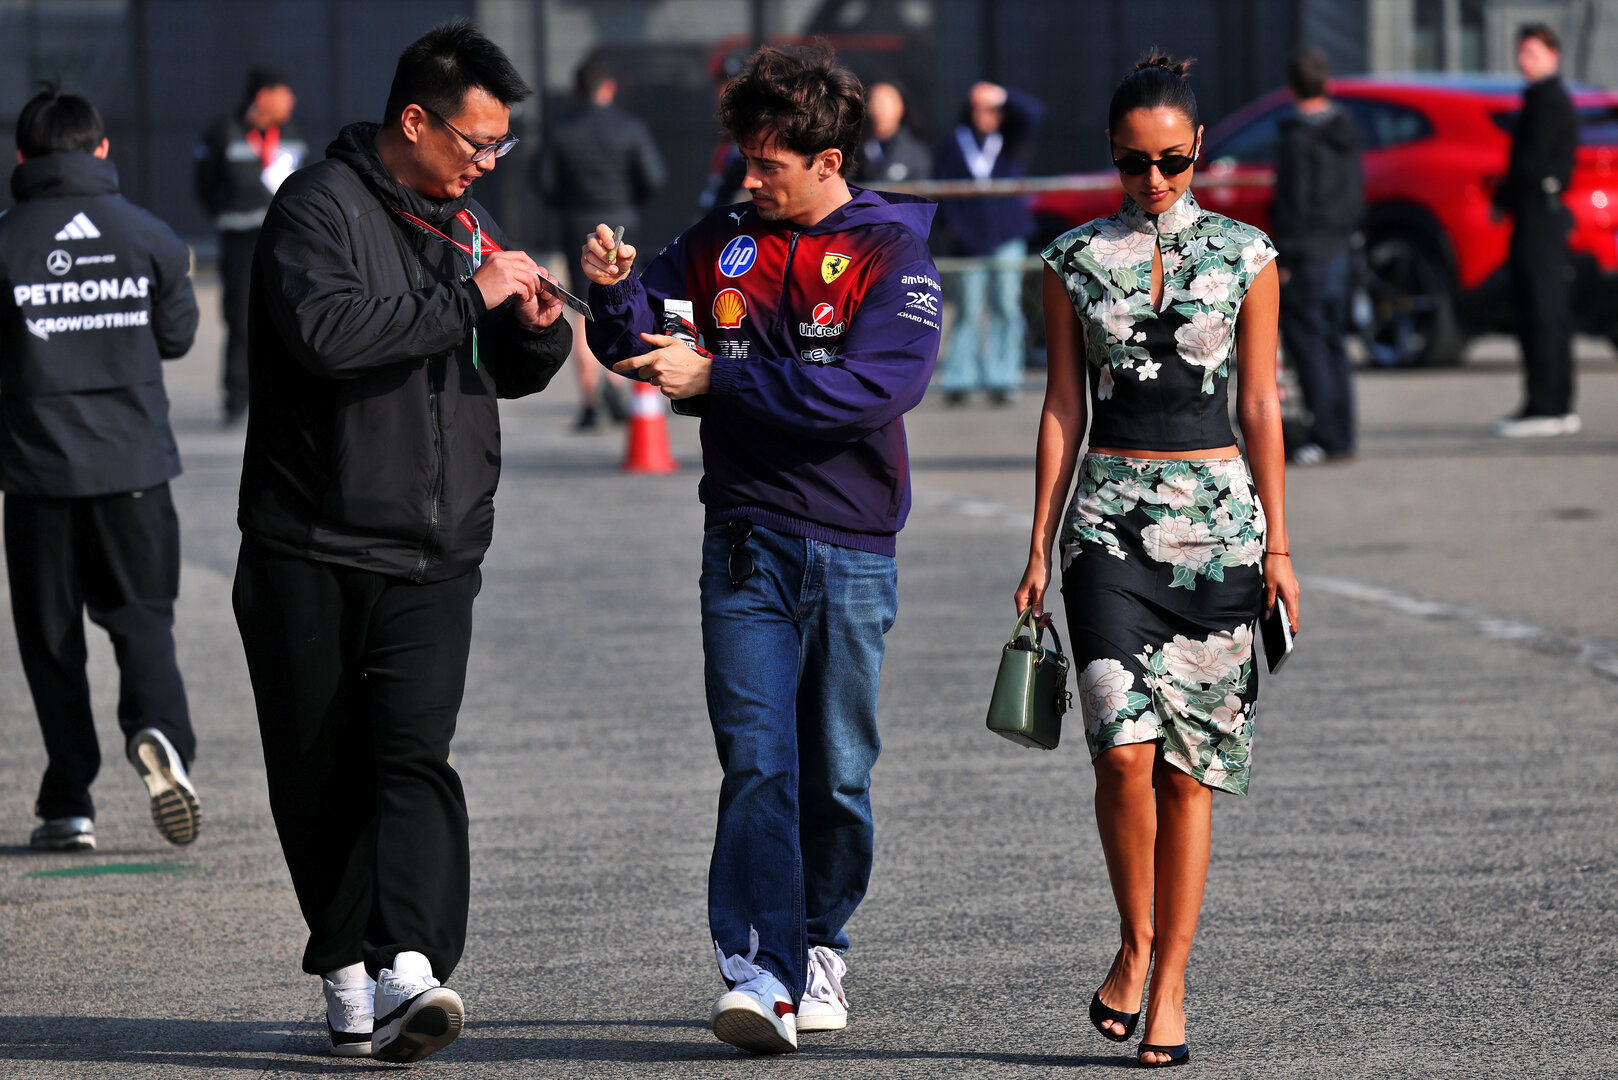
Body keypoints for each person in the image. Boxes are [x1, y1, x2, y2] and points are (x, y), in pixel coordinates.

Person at [581, 43, 940, 1055]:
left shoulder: (891, 252)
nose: (746, 177)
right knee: (755, 761)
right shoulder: (722, 238)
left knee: (835, 773)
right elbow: (642, 340)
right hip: (741, 536)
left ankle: (822, 942)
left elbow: (873, 390)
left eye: (767, 162)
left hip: (854, 548)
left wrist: (722, 382)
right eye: (743, 157)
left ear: (828, 159)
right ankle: (760, 970)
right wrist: (614, 295)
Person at [232, 20, 569, 1064]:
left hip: (438, 547)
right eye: (475, 142)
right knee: (321, 768)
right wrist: (472, 295)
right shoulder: (313, 209)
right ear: (414, 121)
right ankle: (345, 964)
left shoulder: (462, 221)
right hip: (311, 544)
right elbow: (333, 335)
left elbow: (505, 371)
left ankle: (413, 964)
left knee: (413, 755)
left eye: (499, 149)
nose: (485, 164)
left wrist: (535, 325)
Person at [1015, 53, 1301, 1068]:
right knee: (1121, 752)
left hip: (1219, 528)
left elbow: (1261, 403)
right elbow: (1062, 406)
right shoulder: (1071, 260)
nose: (1156, 181)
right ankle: (1131, 944)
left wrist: (1277, 542)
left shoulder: (1246, 254)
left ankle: (1169, 980)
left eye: (1174, 161)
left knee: (1190, 775)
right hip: (1104, 527)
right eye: (1137, 163)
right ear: (1112, 155)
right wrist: (1038, 546)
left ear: (1199, 151)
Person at [0, 84, 202, 853]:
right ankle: (159, 733)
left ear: (22, 157)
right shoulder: (151, 236)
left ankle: (68, 802)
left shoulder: (5, 242)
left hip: (38, 477)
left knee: (52, 641)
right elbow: (178, 339)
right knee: (143, 620)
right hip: (137, 470)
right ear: (102, 151)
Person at [536, 55, 667, 432]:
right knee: (626, 298)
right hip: (625, 223)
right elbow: (654, 176)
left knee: (582, 311)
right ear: (608, 87)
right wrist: (630, 203)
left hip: (578, 223)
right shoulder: (630, 127)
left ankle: (591, 400)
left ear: (578, 90)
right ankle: (620, 382)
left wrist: (568, 205)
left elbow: (543, 181)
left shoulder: (561, 129)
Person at [193, 65, 305, 426]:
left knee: (290, 312)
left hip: (283, 239)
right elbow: (204, 185)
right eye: (284, 92)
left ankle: (286, 394)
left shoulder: (293, 135)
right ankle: (237, 397)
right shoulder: (223, 133)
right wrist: (227, 214)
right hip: (240, 241)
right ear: (262, 96)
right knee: (240, 316)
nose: (291, 101)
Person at [1271, 47, 1363, 465]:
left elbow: (1293, 204)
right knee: (1335, 346)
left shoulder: (1297, 139)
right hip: (1339, 249)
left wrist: (1284, 258)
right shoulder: (1346, 131)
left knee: (1309, 348)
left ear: (1292, 87)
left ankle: (1324, 436)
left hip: (1306, 253)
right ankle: (1342, 433)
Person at [1492, 23, 1580, 438]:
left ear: (1553, 55)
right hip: (1534, 215)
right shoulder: (1540, 99)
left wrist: (1503, 193)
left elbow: (1533, 165)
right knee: (1536, 311)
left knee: (1543, 313)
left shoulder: (1548, 102)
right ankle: (1545, 402)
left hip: (1540, 218)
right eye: (1521, 52)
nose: (1523, 61)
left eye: (1532, 52)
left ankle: (1550, 405)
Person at [931, 80, 1043, 405]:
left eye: (993, 109)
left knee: (1006, 306)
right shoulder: (955, 142)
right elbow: (941, 190)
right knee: (967, 308)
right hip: (968, 242)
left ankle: (1003, 376)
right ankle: (959, 377)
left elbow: (1033, 114)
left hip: (1006, 236)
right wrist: (955, 229)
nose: (986, 114)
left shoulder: (1009, 139)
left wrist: (1004, 95)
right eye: (980, 108)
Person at [854, 81, 931, 185]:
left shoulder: (915, 154)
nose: (879, 110)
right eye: (875, 102)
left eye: (885, 103)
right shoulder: (857, 150)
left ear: (900, 107)